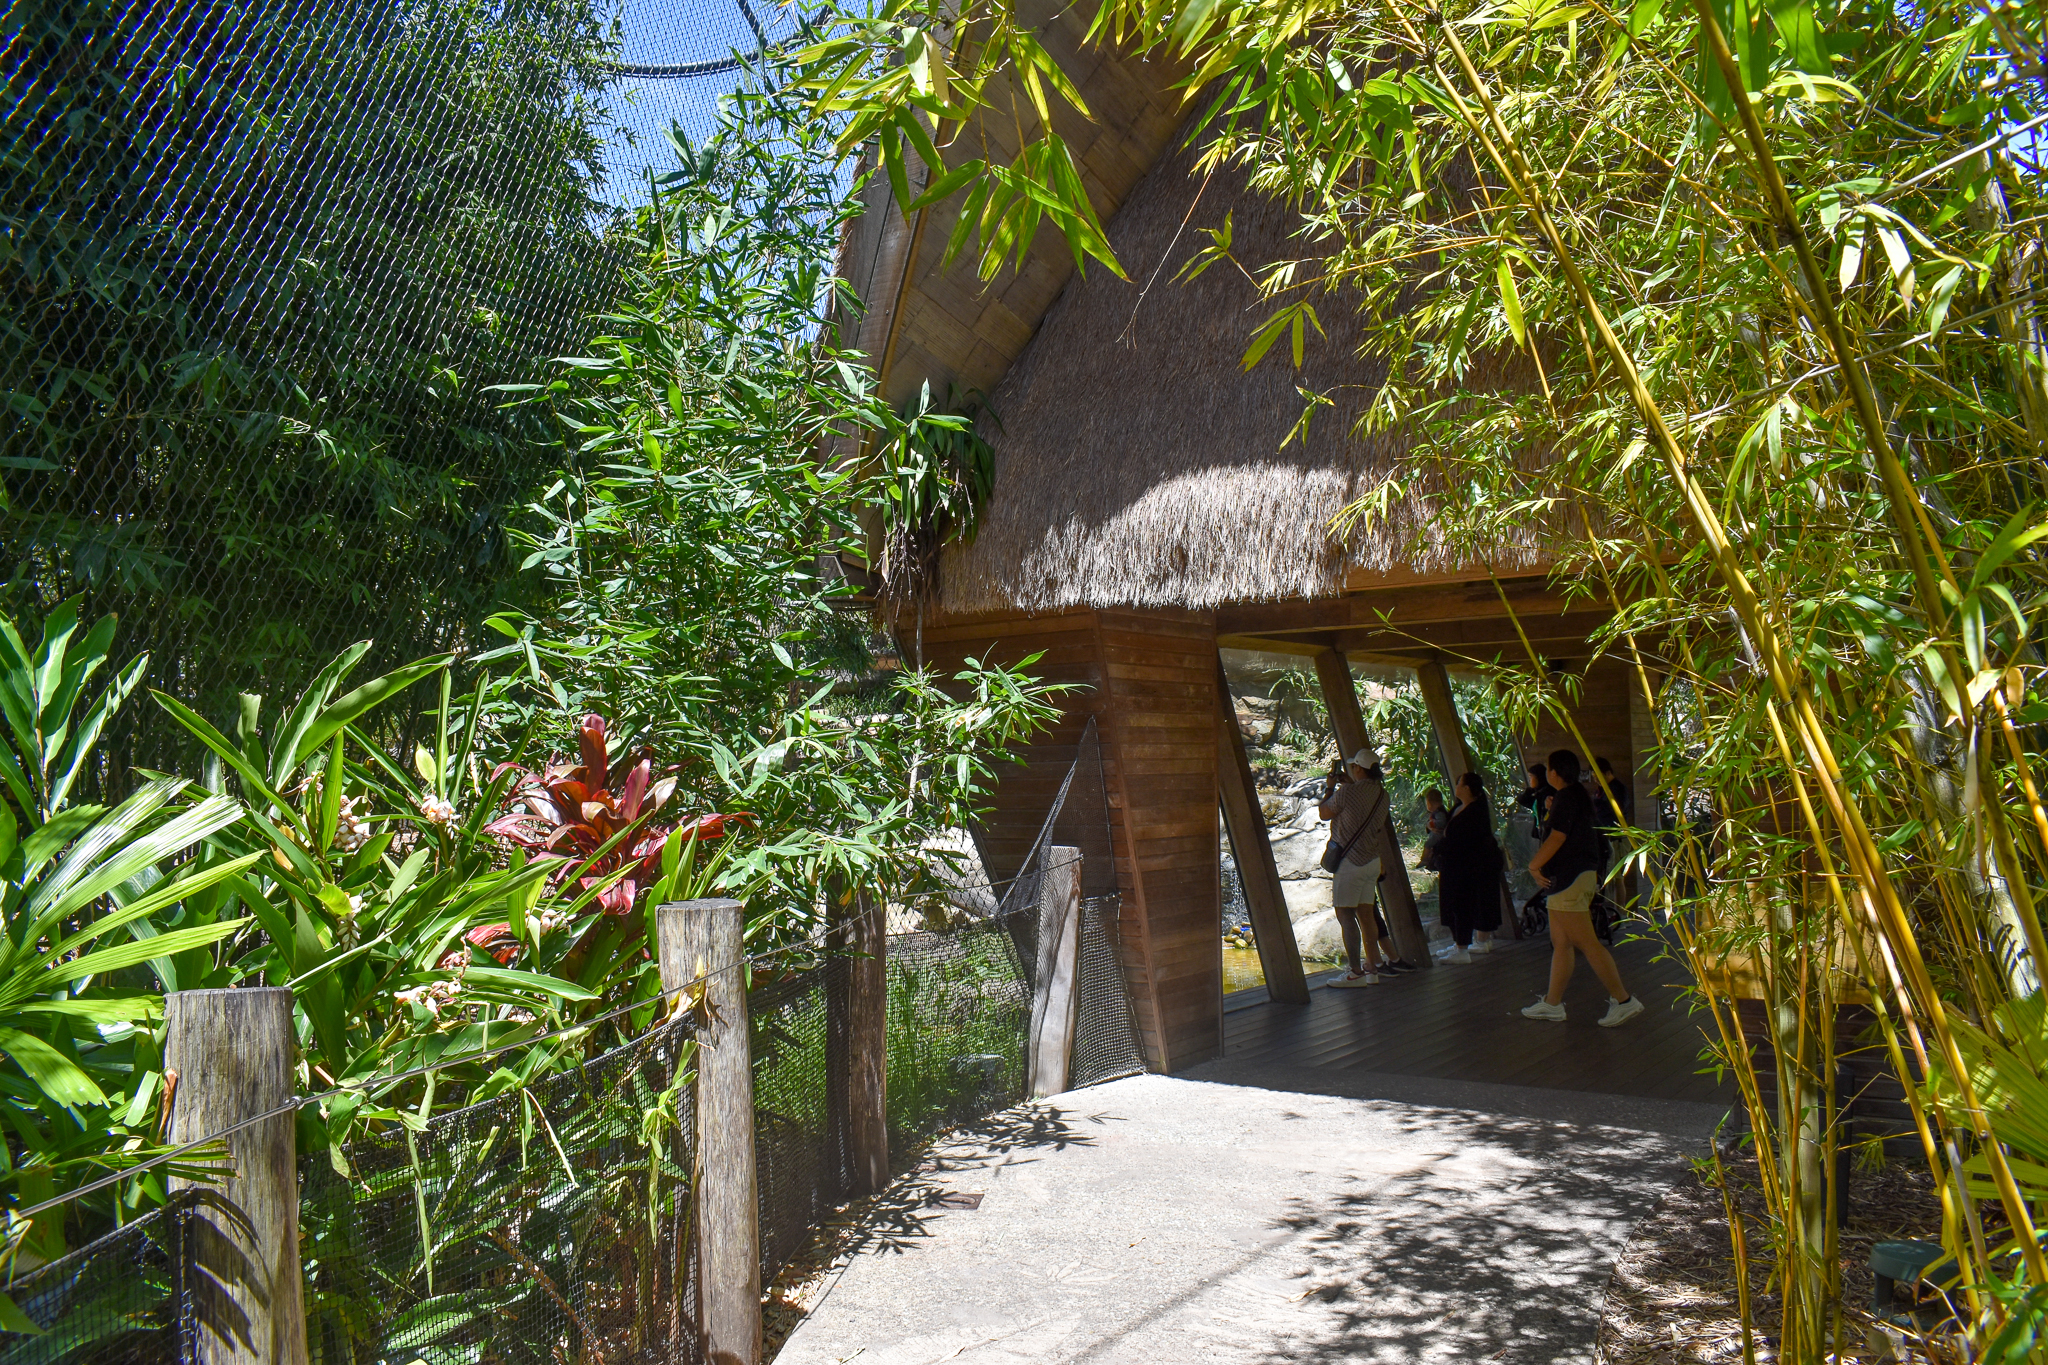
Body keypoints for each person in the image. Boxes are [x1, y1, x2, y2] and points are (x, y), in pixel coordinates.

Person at [1521, 749, 1645, 1026]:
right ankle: (1553, 1003)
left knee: (1587, 943)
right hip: (1570, 879)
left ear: (1554, 773)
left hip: (1570, 879)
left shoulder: (1567, 797)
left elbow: (1557, 837)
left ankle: (1624, 1000)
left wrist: (1533, 866)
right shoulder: (1574, 796)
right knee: (1562, 943)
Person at [1318, 747, 1414, 986]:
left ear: (1359, 768)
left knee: (1345, 915)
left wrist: (1330, 787)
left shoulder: (1346, 792)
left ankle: (1355, 972)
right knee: (1366, 914)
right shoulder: (1383, 795)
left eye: (1354, 766)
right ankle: (1371, 967)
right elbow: (1361, 802)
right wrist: (1349, 784)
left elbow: (1324, 813)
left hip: (1350, 863)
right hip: (1371, 861)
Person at [1436, 772, 1504, 963]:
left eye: (1459, 783)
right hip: (1455, 865)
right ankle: (1459, 943)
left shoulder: (1475, 812)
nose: (1456, 786)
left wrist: (1442, 847)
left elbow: (1465, 840)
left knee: (1463, 905)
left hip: (1466, 867)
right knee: (1455, 904)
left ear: (1467, 788)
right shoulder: (1460, 807)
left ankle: (1462, 948)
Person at [1418, 787, 1449, 870]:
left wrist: (1431, 824)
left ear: (1430, 804)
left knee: (1428, 844)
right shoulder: (1437, 813)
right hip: (1436, 834)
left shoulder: (1439, 813)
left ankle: (1424, 859)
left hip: (1438, 835)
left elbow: (1441, 822)